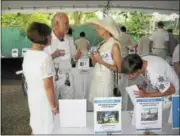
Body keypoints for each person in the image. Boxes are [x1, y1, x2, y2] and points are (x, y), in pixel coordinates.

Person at [22, 22, 58, 134]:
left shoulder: (28, 54)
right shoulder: (44, 57)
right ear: (43, 37)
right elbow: (48, 86)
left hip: (33, 96)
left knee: (38, 124)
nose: (51, 37)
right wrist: (53, 107)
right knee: (47, 126)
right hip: (44, 99)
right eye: (50, 35)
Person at [44, 12, 81, 104]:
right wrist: (53, 56)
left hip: (67, 77)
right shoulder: (46, 39)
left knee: (69, 104)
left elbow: (72, 61)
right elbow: (41, 62)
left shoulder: (69, 39)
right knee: (52, 105)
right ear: (56, 24)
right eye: (66, 23)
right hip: (51, 78)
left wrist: (76, 58)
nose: (68, 25)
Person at [88, 17, 122, 101]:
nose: (97, 30)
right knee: (96, 106)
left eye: (99, 27)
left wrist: (102, 62)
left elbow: (119, 68)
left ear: (107, 29)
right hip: (97, 80)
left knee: (103, 107)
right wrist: (93, 59)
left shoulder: (114, 45)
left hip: (106, 82)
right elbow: (95, 64)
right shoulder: (101, 44)